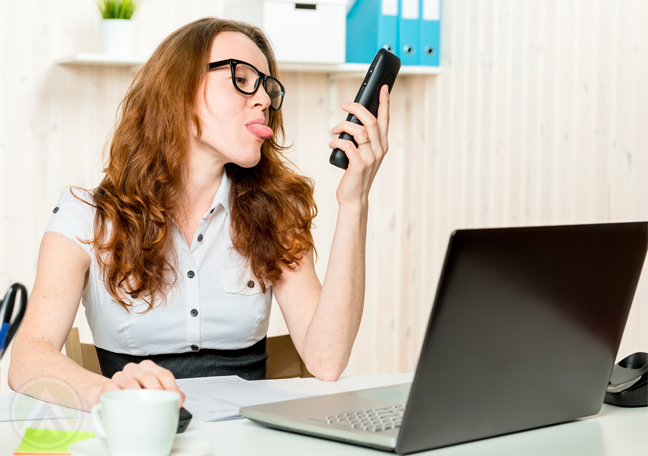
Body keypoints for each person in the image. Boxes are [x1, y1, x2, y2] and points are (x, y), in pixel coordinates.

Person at [8, 17, 391, 412]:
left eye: (268, 87)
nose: (262, 99)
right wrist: (108, 395)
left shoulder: (276, 213)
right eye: (242, 78)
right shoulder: (84, 217)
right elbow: (26, 359)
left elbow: (326, 361)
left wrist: (354, 203)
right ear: (179, 88)